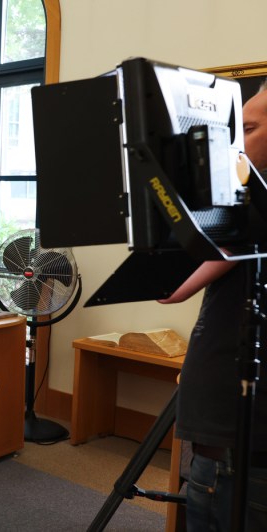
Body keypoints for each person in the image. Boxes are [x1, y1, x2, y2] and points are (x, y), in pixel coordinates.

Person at [158, 83, 267, 530]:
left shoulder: (255, 215)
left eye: (251, 128)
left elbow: (173, 286)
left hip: (241, 446)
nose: (236, 143)